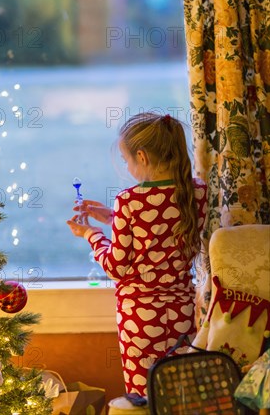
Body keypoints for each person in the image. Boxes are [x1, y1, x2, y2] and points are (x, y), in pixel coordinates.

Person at [66, 112, 207, 397]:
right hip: (182, 312)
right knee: (180, 393)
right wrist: (112, 217)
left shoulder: (129, 201)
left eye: (126, 159)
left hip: (139, 321)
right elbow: (161, 227)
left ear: (141, 156)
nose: (127, 166)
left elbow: (116, 267)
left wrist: (91, 234)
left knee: (144, 397)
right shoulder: (198, 192)